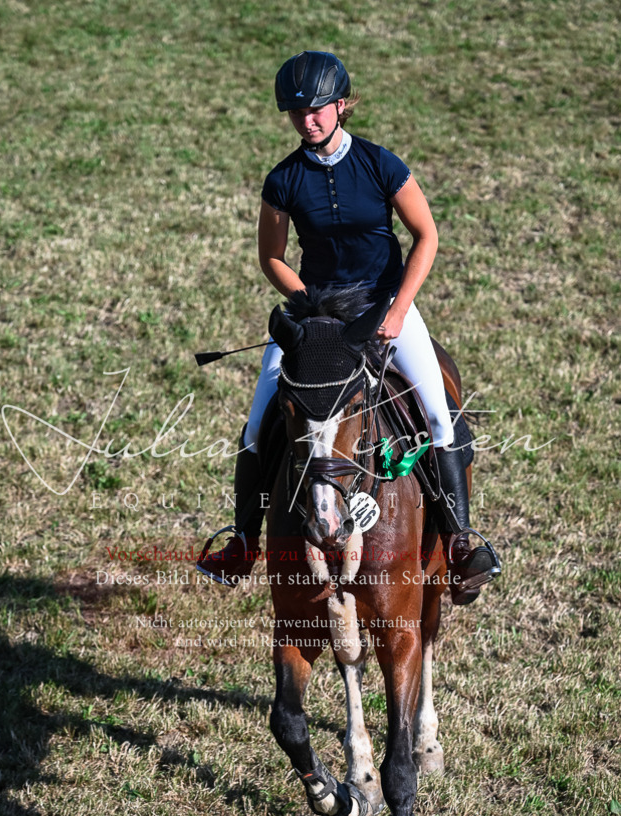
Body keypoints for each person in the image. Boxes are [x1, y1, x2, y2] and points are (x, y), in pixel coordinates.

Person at [197, 50, 500, 604]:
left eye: (315, 109)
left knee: (437, 413)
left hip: (384, 307)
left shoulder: (382, 165)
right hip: (315, 317)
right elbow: (272, 257)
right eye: (295, 112)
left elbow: (425, 236)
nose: (305, 120)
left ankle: (459, 541)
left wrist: (399, 310)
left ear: (341, 105)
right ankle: (242, 540)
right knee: (258, 421)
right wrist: (306, 307)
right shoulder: (283, 179)